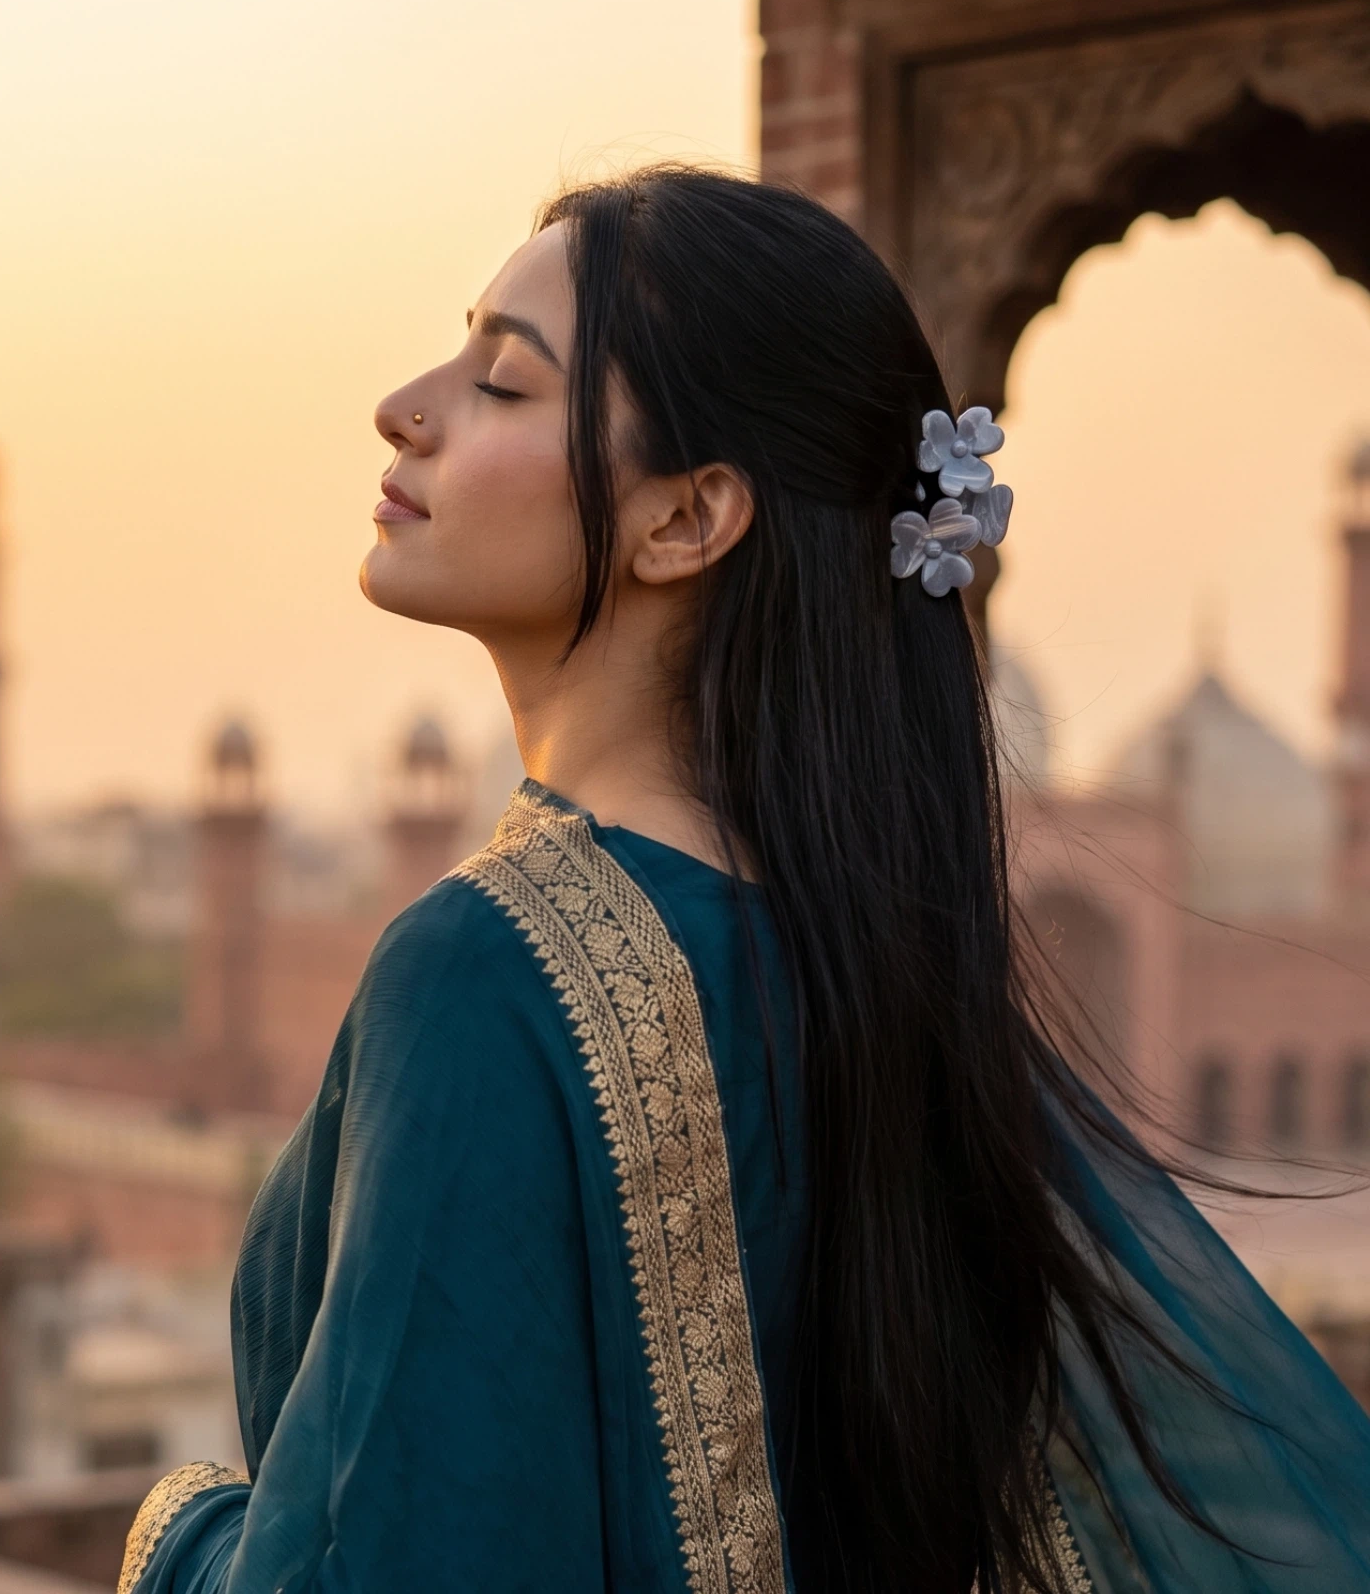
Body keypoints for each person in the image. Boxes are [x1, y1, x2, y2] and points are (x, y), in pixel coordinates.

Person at [118, 167, 1370, 1594]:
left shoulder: (485, 974)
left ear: (686, 520)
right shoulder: (880, 970)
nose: (405, 407)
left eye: (503, 384)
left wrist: (181, 1529)